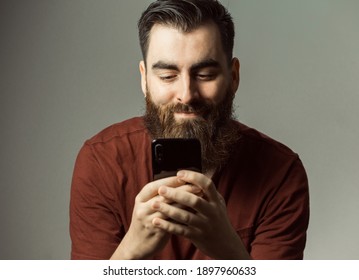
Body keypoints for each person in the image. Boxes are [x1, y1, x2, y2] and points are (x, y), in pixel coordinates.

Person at [70, 0, 309, 260]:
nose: (186, 95)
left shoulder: (281, 174)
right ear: (144, 79)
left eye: (205, 74)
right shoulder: (102, 162)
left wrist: (227, 250)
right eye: (167, 76)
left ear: (234, 77)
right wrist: (131, 250)